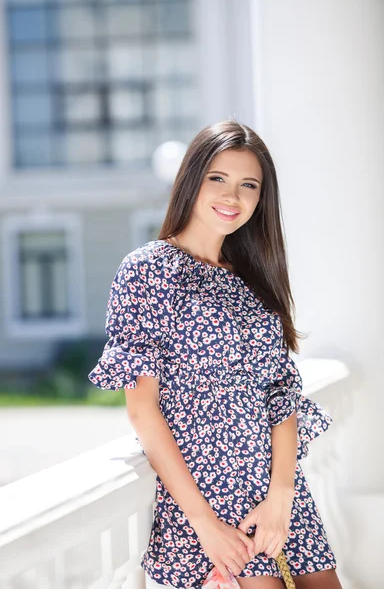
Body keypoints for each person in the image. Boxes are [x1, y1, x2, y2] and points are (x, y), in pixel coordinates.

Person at [88, 120, 342, 589]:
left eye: (249, 185)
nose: (233, 197)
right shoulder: (147, 270)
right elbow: (143, 412)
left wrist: (282, 496)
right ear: (192, 180)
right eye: (218, 179)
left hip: (276, 494)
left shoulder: (254, 279)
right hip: (208, 499)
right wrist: (205, 524)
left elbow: (281, 395)